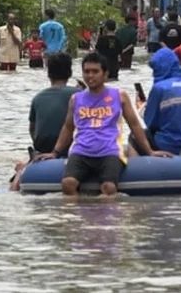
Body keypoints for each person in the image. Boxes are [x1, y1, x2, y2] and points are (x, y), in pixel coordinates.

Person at [34, 53, 171, 198]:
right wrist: (55, 152)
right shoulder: (76, 99)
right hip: (81, 151)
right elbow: (68, 127)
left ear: (105, 74)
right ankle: (74, 219)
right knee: (68, 184)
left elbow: (135, 125)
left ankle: (106, 219)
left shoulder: (119, 96)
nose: (90, 76)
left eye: (95, 71)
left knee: (108, 187)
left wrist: (149, 151)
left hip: (110, 151)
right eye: (86, 72)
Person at [29, 53, 79, 154]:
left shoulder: (37, 98)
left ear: (48, 74)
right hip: (69, 147)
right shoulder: (79, 95)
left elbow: (32, 130)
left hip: (42, 146)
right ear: (70, 73)